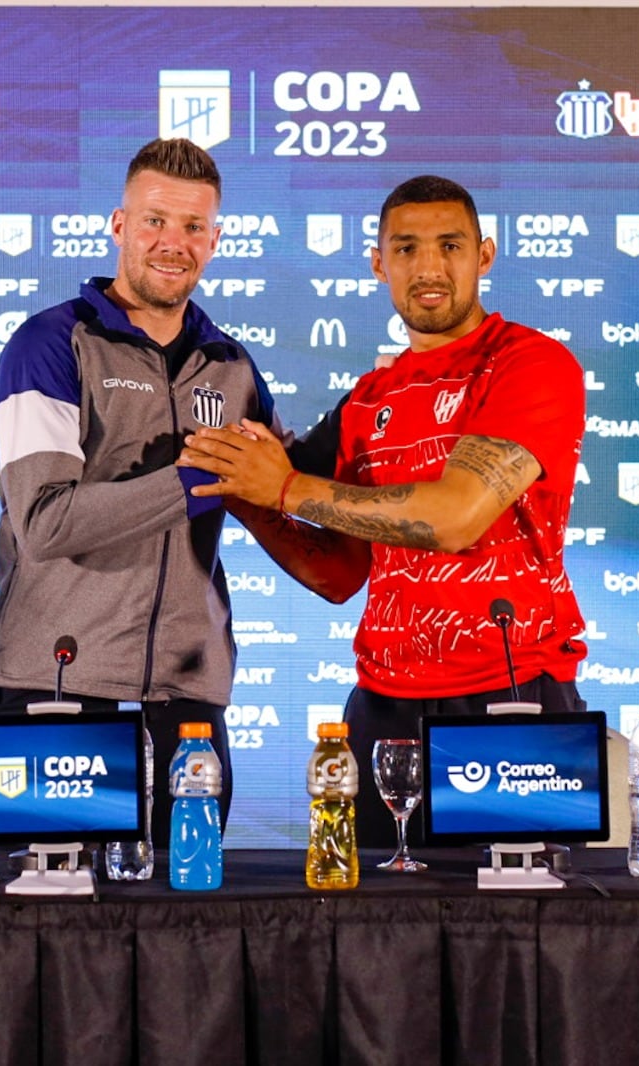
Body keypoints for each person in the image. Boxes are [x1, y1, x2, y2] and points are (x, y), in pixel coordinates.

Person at [178, 175, 589, 847]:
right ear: (378, 263)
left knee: (522, 929)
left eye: (449, 245)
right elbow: (337, 574)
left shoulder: (531, 364)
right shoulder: (368, 399)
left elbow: (456, 517)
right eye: (406, 248)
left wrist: (283, 489)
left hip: (508, 700)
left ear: (484, 256)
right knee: (369, 937)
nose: (428, 267)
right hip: (381, 709)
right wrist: (247, 495)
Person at [0, 137, 282, 849]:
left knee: (185, 931)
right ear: (118, 226)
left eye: (194, 227)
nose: (175, 243)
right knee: (33, 931)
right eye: (155, 221)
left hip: (187, 706)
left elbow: (281, 478)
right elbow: (44, 521)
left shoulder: (230, 365)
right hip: (53, 694)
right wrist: (199, 479)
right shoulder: (49, 344)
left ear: (216, 238)